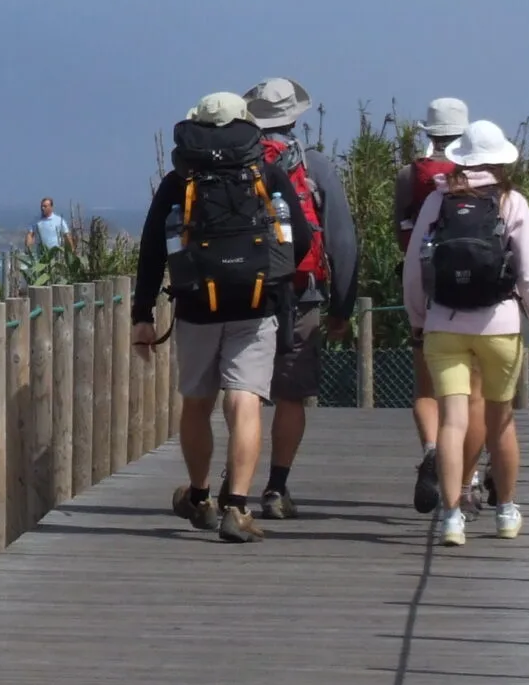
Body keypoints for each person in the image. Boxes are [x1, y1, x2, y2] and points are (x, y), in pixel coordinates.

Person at [132, 93, 315, 545]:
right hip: (256, 306)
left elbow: (153, 248)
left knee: (197, 403)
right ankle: (237, 506)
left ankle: (199, 496)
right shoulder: (265, 172)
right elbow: (304, 239)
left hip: (196, 307)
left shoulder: (180, 179)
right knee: (245, 399)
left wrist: (142, 316)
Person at [403, 119, 529, 547]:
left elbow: (416, 266)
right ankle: (506, 512)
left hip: (444, 325)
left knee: (452, 421)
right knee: (500, 420)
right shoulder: (511, 201)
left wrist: (418, 316)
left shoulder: (437, 202)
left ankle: (452, 517)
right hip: (500, 325)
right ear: (501, 160)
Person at [242, 78, 360, 519]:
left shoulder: (242, 163)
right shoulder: (314, 166)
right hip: (302, 295)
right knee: (290, 397)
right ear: (296, 117)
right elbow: (343, 241)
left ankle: (233, 485)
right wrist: (342, 307)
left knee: (245, 391)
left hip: (247, 295)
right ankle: (275, 488)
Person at [395, 96, 472, 511]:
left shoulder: (411, 175)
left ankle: (430, 449)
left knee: (426, 387)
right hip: (481, 300)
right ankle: (469, 477)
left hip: (428, 290)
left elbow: (402, 236)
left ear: (430, 132)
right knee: (471, 394)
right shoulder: (485, 173)